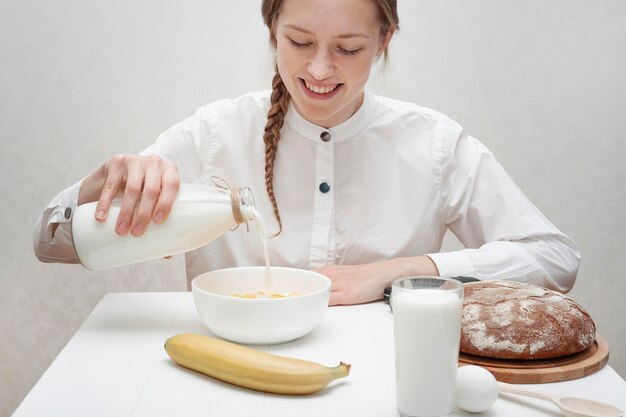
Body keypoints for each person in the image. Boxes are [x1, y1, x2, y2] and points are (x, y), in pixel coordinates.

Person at [33, 0, 580, 305]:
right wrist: (105, 179)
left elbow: (556, 260)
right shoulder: (215, 133)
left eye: (348, 49)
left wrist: (403, 271)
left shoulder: (433, 145)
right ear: (271, 29)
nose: (319, 71)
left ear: (385, 41)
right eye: (298, 43)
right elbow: (48, 243)